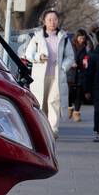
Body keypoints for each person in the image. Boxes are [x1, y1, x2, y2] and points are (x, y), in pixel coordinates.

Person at [21, 9, 73, 137]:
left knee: (54, 101)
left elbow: (70, 57)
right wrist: (38, 57)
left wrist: (63, 68)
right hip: (40, 76)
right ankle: (41, 128)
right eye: (49, 19)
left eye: (55, 19)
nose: (52, 22)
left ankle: (53, 130)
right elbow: (28, 54)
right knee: (41, 102)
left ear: (58, 21)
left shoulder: (63, 37)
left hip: (56, 76)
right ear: (44, 21)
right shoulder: (37, 37)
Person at [67, 29, 91, 122]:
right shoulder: (70, 46)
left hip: (81, 72)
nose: (82, 40)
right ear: (76, 38)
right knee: (69, 92)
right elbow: (66, 56)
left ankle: (76, 113)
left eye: (83, 38)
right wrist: (71, 63)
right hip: (71, 72)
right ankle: (70, 107)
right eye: (80, 38)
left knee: (78, 94)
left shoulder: (86, 47)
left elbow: (89, 56)